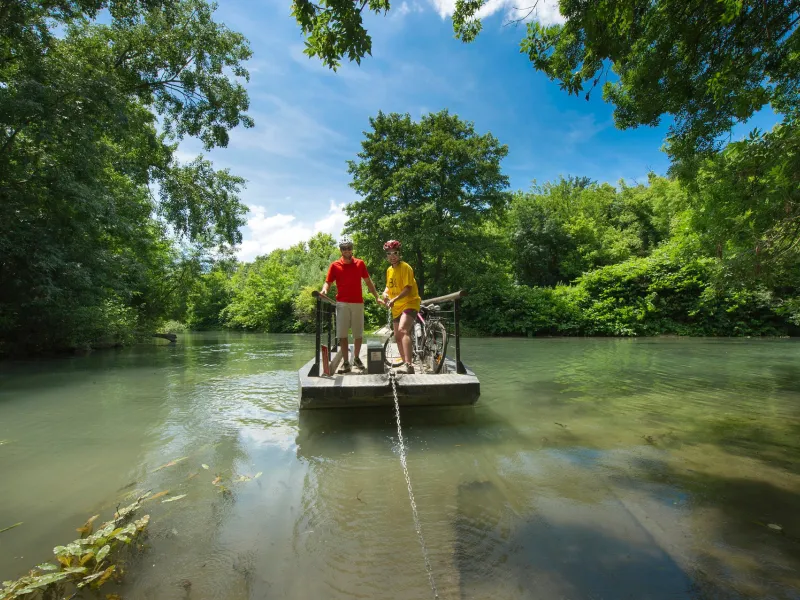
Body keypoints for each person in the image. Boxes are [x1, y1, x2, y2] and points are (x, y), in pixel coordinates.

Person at [321, 235, 383, 373]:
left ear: (352, 249)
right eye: (344, 248)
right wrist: (325, 289)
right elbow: (328, 281)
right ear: (341, 250)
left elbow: (368, 282)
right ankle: (346, 362)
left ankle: (356, 358)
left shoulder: (360, 264)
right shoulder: (334, 266)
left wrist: (377, 297)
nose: (347, 250)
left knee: (358, 334)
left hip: (357, 303)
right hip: (342, 303)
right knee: (342, 334)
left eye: (349, 248)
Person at [381, 239, 421, 374]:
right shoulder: (388, 270)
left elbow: (408, 289)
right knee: (397, 337)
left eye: (395, 253)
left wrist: (394, 299)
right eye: (389, 253)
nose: (392, 256)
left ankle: (410, 365)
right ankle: (405, 364)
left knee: (404, 330)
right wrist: (385, 293)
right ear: (386, 255)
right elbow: (389, 285)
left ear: (399, 254)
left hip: (410, 302)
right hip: (396, 306)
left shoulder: (406, 267)